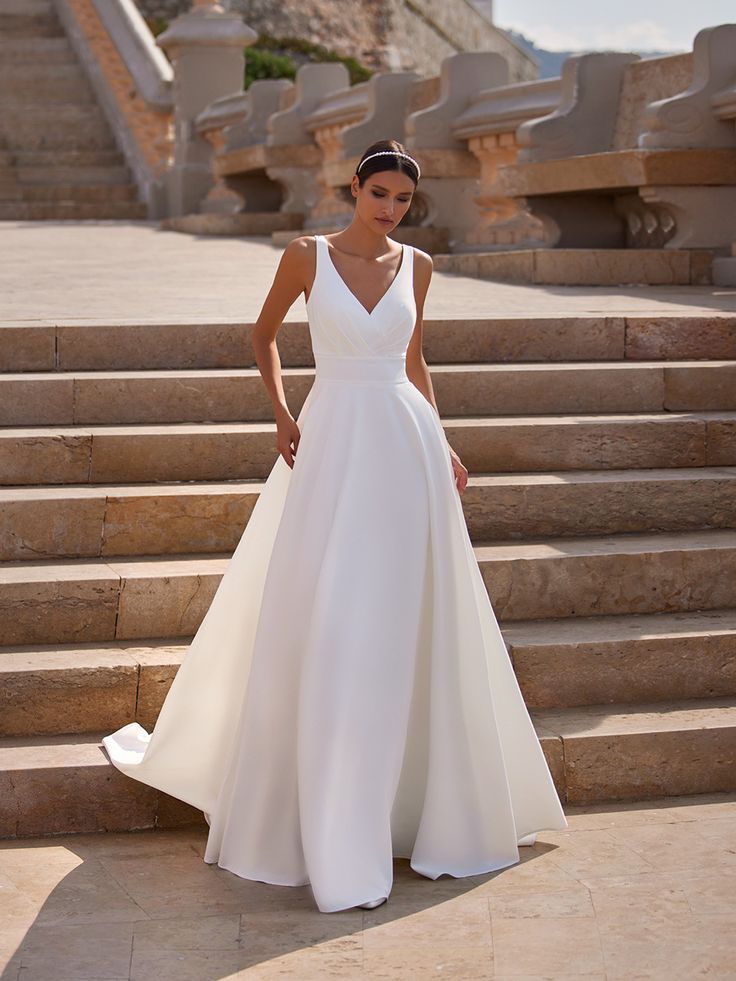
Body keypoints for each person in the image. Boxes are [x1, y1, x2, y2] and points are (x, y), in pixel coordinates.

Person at [102, 138, 568, 915]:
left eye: (402, 200)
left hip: (405, 444)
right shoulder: (305, 254)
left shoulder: (418, 267)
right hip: (333, 438)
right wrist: (282, 415)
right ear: (352, 187)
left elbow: (415, 361)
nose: (389, 208)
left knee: (403, 619)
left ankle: (410, 806)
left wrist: (443, 439)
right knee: (331, 614)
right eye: (379, 192)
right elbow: (262, 336)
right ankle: (319, 814)